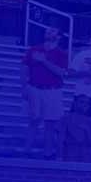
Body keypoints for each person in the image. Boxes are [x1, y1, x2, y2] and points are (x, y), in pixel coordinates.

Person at [23, 28, 71, 157]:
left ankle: (47, 153)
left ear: (59, 36)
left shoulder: (61, 53)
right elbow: (24, 68)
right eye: (48, 30)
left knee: (50, 123)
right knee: (33, 120)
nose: (49, 32)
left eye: (53, 31)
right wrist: (24, 87)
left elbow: (61, 72)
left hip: (52, 91)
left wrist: (44, 61)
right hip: (34, 88)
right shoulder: (34, 49)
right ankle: (26, 150)